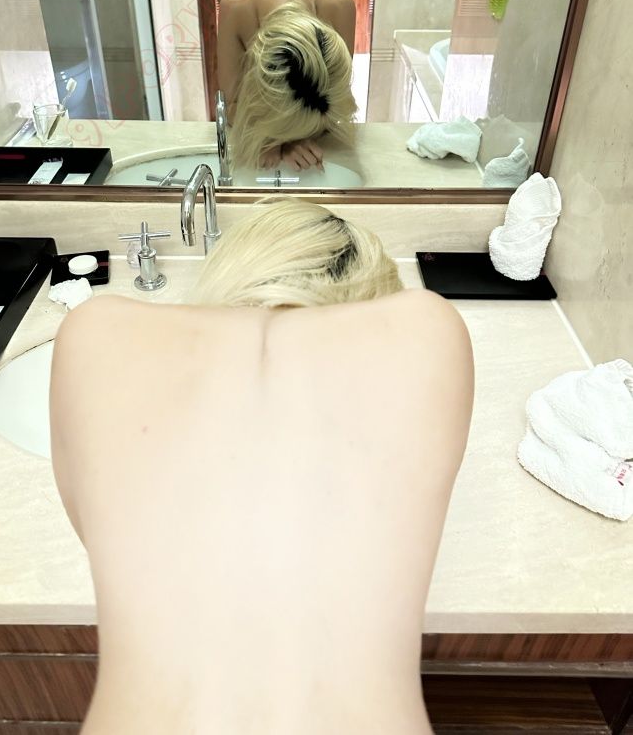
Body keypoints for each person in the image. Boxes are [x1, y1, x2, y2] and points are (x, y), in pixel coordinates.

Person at [50, 198, 474, 735]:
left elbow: (99, 530)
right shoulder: (428, 328)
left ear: (234, 265)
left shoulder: (95, 331)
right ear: (373, 296)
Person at [219, 0, 357, 171]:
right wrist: (277, 139)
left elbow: (334, 102)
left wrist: (291, 136)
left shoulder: (339, 7)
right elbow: (230, 106)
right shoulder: (236, 9)